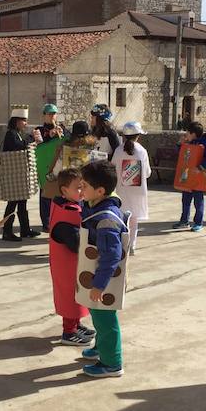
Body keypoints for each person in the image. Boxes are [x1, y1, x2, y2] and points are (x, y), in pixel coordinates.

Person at [78, 159, 128, 378]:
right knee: (98, 318)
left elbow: (111, 256)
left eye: (84, 187)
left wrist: (99, 285)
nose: (80, 190)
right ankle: (102, 348)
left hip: (104, 279)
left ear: (100, 191)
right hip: (99, 278)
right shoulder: (98, 205)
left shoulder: (106, 220)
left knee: (106, 320)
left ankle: (112, 363)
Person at [48, 168, 95, 346]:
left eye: (83, 187)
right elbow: (76, 241)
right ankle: (68, 332)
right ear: (64, 191)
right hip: (66, 263)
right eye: (77, 188)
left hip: (65, 261)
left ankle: (75, 324)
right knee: (70, 295)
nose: (82, 192)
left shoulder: (62, 205)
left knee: (76, 294)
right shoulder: (68, 211)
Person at [111, 121, 151, 253]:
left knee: (122, 217)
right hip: (138, 190)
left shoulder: (118, 150)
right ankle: (132, 245)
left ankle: (122, 243)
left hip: (122, 189)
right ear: (138, 135)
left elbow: (113, 167)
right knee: (134, 219)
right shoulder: (142, 151)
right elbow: (147, 173)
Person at [2, 105, 40, 242]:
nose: (26, 123)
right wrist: (31, 139)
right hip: (13, 175)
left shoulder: (17, 133)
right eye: (24, 120)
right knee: (12, 204)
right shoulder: (11, 134)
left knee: (22, 202)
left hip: (20, 174)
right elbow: (19, 147)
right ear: (17, 120)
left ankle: (25, 229)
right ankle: (6, 231)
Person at [173, 122, 206, 232]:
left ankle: (198, 222)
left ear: (193, 133)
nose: (185, 134)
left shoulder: (205, 143)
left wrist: (200, 167)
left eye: (187, 132)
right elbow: (182, 154)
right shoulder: (190, 142)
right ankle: (184, 221)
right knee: (186, 200)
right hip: (188, 176)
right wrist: (180, 144)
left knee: (198, 201)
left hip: (198, 177)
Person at [34, 103, 64, 231]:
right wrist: (49, 136)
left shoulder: (61, 128)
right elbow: (38, 143)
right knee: (45, 193)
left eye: (54, 114)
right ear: (44, 115)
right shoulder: (38, 130)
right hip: (44, 166)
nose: (52, 116)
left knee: (59, 193)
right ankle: (46, 223)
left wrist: (61, 135)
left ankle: (58, 219)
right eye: (49, 114)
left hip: (57, 165)